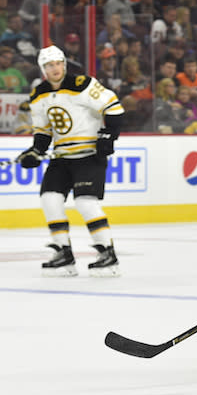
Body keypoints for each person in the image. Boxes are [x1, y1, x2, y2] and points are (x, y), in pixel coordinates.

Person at [16, 45, 124, 277]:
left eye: (58, 63)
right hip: (63, 156)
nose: (55, 69)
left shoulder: (82, 84)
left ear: (64, 64)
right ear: (43, 69)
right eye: (49, 65)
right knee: (50, 198)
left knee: (85, 201)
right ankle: (63, 252)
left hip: (89, 156)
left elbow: (113, 106)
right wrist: (35, 151)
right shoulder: (38, 94)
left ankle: (107, 253)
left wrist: (108, 135)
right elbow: (43, 129)